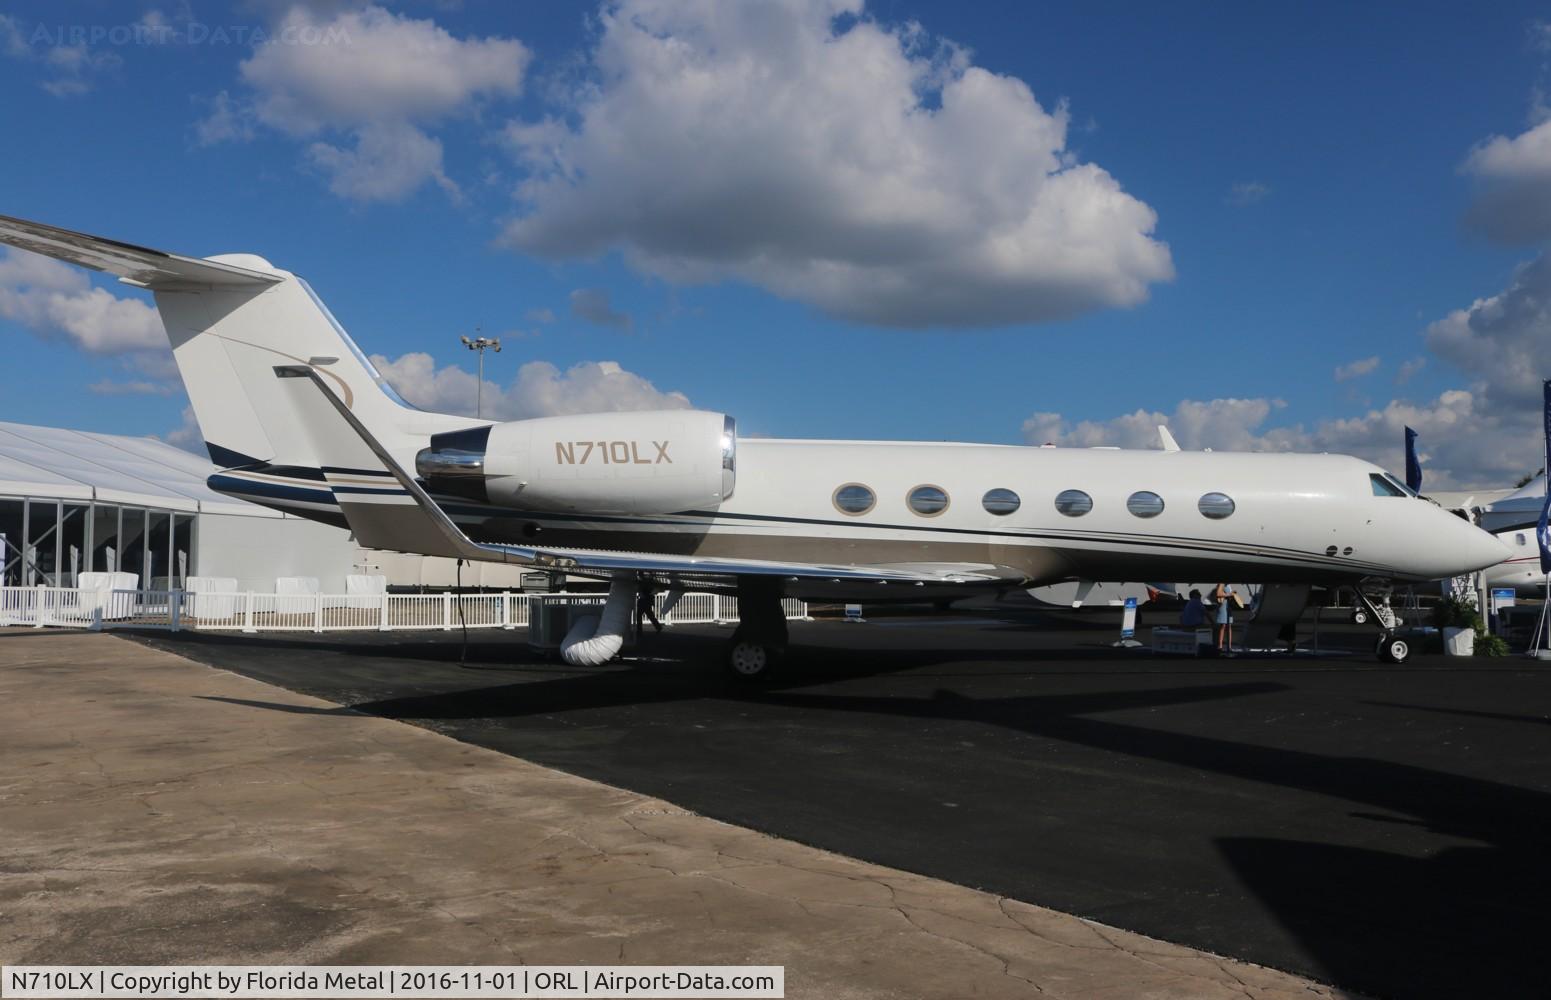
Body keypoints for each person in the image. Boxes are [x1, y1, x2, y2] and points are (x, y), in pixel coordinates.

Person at [1214, 583, 1235, 655]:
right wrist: (1229, 595)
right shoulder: (1222, 583)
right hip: (1223, 606)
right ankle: (1220, 646)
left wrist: (1233, 595)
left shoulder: (1228, 584)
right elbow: (1218, 593)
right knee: (1223, 625)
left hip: (1228, 606)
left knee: (1229, 625)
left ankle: (1229, 646)